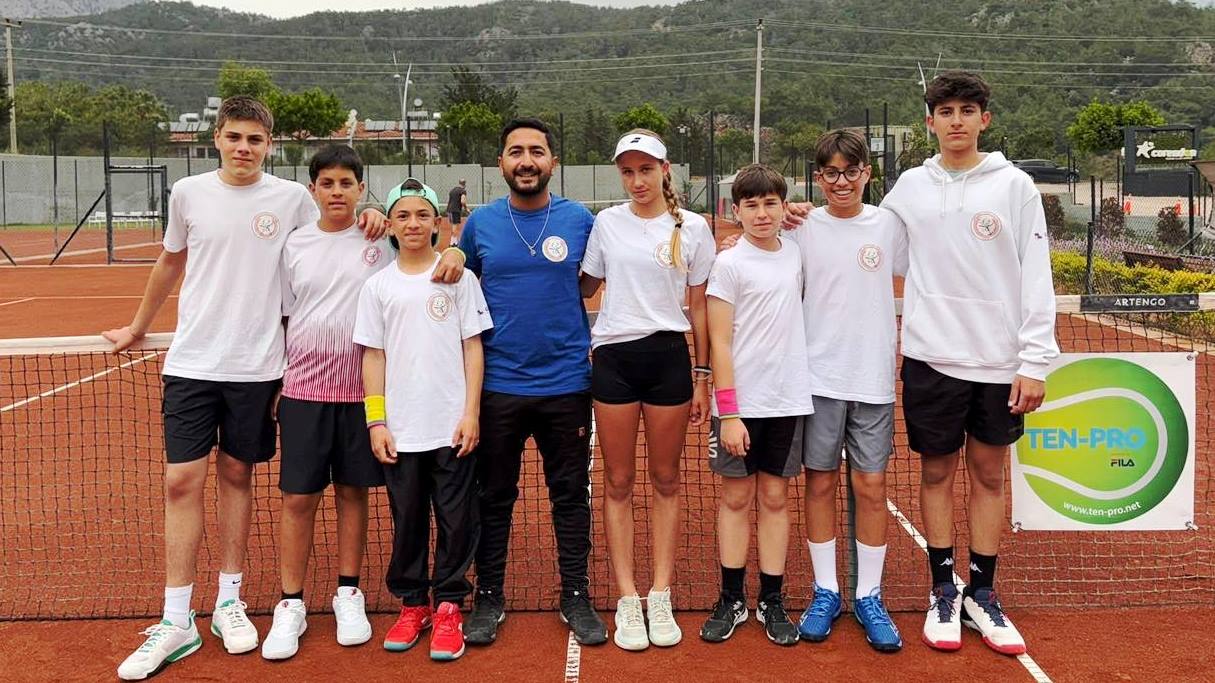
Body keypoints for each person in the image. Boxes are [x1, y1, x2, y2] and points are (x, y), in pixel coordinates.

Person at [105, 96, 384, 681]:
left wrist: (374, 213)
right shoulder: (187, 194)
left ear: (269, 145)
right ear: (217, 137)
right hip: (192, 362)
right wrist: (138, 325)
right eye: (235, 137)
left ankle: (229, 602)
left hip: (259, 368)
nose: (244, 148)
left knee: (238, 477)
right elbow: (169, 263)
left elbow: (337, 234)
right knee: (182, 481)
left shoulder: (290, 200)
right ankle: (176, 617)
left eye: (255, 140)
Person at [881, 70, 1057, 655]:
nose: (956, 120)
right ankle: (942, 591)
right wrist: (800, 224)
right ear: (929, 121)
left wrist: (1034, 361)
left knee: (987, 476)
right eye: (945, 110)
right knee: (936, 474)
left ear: (985, 119)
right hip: (931, 357)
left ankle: (983, 593)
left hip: (1000, 363)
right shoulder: (909, 185)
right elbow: (876, 245)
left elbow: (1036, 276)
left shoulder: (1014, 187)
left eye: (967, 110)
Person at [431, 117, 608, 646]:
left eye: (536, 151)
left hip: (567, 383)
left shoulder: (580, 220)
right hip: (499, 385)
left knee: (570, 495)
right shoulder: (481, 224)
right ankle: (489, 596)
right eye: (515, 151)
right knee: (494, 496)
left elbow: (592, 282)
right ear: (501, 162)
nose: (526, 160)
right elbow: (452, 274)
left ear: (552, 161)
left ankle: (575, 593)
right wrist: (458, 249)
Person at [579, 130, 714, 651]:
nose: (637, 180)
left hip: (668, 362)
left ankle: (660, 591)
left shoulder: (694, 227)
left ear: (665, 169)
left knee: (665, 479)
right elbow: (582, 285)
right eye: (628, 171)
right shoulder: (606, 224)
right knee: (616, 481)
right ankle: (627, 598)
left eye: (645, 169)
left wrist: (702, 375)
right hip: (613, 360)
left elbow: (699, 306)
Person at [260, 145, 392, 661]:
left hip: (363, 393)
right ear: (312, 189)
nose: (337, 192)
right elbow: (284, 315)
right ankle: (290, 603)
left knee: (354, 493)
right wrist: (276, 384)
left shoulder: (379, 241)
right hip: (303, 392)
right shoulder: (294, 245)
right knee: (298, 498)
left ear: (361, 188)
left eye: (346, 183)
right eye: (327, 183)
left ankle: (348, 593)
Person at [356, 178, 492, 661]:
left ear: (437, 223)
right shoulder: (377, 287)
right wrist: (377, 422)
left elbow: (472, 348)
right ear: (390, 225)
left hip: (452, 426)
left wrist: (471, 412)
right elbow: (373, 357)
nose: (413, 224)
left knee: (457, 519)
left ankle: (451, 604)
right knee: (407, 519)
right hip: (401, 429)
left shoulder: (460, 278)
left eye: (422, 216)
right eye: (403, 216)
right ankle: (413, 604)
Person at [787, 130, 907, 652]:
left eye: (851, 171)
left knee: (871, 488)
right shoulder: (801, 227)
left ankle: (870, 595)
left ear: (867, 174)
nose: (842, 181)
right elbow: (758, 251)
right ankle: (826, 590)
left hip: (873, 381)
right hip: (816, 381)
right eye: (831, 172)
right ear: (819, 178)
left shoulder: (889, 227)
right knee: (818, 485)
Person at [699, 164, 813, 647]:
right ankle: (731, 598)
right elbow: (720, 344)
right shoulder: (728, 264)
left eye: (771, 203)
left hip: (788, 401)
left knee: (774, 499)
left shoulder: (797, 254)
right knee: (735, 499)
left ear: (783, 206)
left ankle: (771, 598)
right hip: (741, 407)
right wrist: (729, 412)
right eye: (752, 205)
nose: (762, 213)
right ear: (737, 210)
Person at [447, 179, 469, 246]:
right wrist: (466, 208)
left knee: (454, 225)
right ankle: (453, 243)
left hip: (449, 210)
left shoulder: (453, 190)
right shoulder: (463, 191)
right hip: (455, 210)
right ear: (464, 184)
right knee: (455, 226)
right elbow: (463, 201)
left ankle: (454, 241)